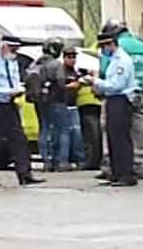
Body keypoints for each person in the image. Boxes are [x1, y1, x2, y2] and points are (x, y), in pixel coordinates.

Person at [0, 33, 43, 187]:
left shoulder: (12, 61)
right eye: (12, 48)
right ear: (3, 46)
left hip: (10, 105)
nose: (15, 52)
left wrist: (18, 89)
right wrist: (7, 92)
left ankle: (25, 174)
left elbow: (13, 80)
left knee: (19, 140)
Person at [98, 22, 143, 181]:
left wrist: (98, 84)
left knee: (114, 133)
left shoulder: (117, 51)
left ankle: (111, 166)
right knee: (139, 131)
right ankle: (139, 164)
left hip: (118, 96)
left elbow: (104, 71)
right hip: (140, 95)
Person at [93, 23, 139, 186]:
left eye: (104, 46)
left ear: (111, 44)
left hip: (121, 100)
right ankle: (116, 172)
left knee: (120, 139)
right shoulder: (113, 60)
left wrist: (96, 82)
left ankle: (126, 174)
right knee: (113, 138)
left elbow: (117, 85)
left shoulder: (122, 60)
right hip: (113, 100)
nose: (103, 50)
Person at [31, 39, 70, 172]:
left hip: (40, 101)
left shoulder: (35, 64)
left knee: (44, 129)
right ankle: (62, 161)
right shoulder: (56, 65)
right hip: (57, 101)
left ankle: (46, 161)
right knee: (63, 130)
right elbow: (60, 83)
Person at [56, 45, 86, 170]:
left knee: (77, 133)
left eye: (74, 57)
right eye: (69, 57)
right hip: (63, 105)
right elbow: (59, 87)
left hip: (73, 105)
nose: (72, 59)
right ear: (64, 58)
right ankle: (63, 160)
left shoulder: (75, 71)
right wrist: (71, 86)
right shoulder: (61, 71)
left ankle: (79, 159)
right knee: (65, 134)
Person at [74, 48, 103, 170]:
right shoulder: (101, 61)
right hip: (98, 102)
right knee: (97, 133)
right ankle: (97, 159)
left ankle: (91, 161)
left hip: (85, 103)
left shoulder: (83, 64)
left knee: (90, 135)